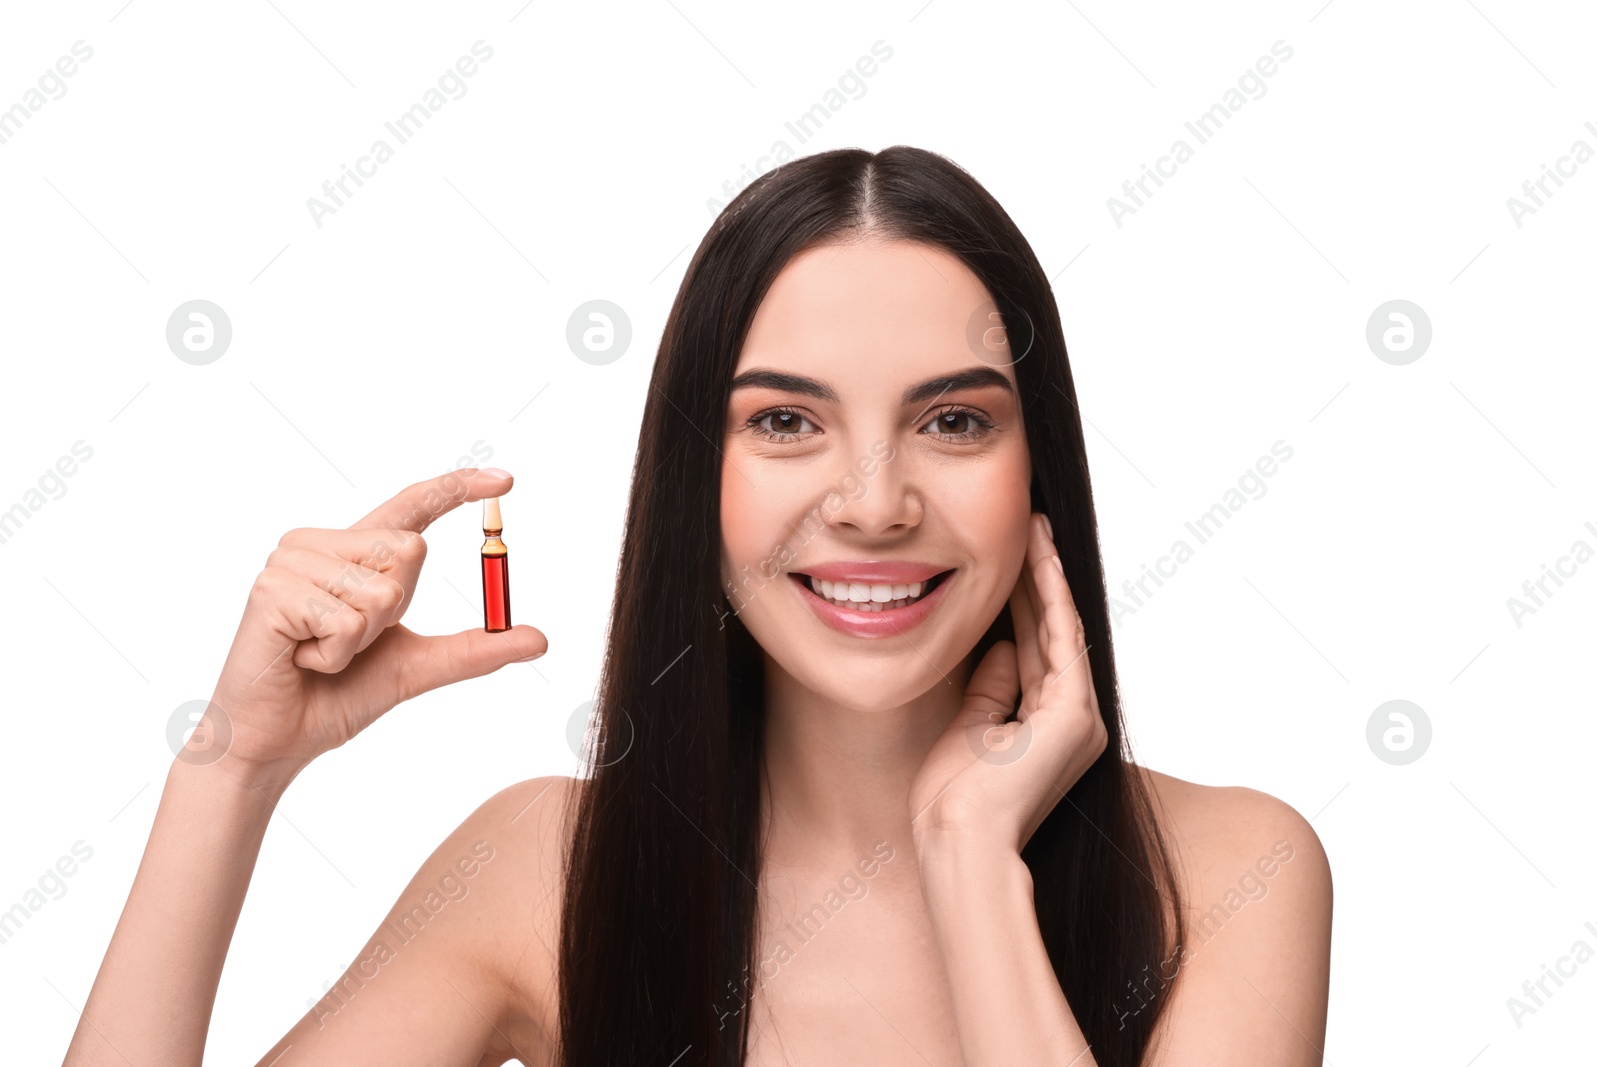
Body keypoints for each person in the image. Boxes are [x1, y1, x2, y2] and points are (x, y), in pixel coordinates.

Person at [63, 146, 1332, 1067]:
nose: (874, 503)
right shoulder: (543, 874)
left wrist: (972, 863)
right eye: (785, 421)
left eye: (953, 420)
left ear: (1036, 469)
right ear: (695, 477)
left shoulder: (1235, 875)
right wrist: (231, 769)